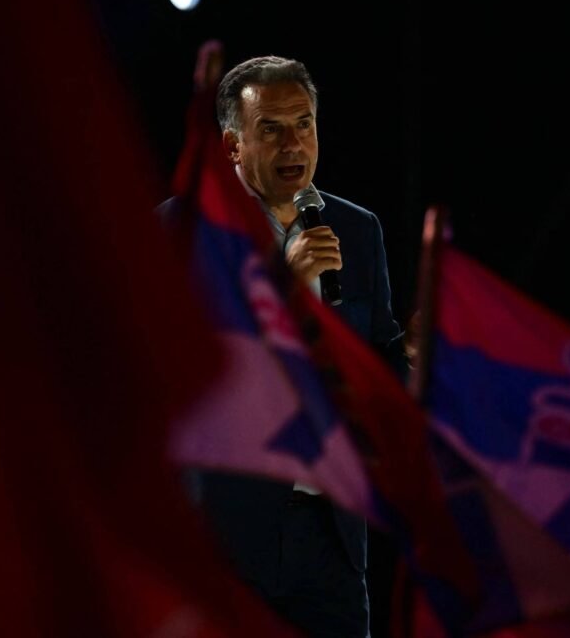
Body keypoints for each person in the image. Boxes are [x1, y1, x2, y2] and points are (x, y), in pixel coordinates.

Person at [162, 54, 407, 638]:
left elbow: (377, 359)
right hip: (227, 532)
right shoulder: (182, 231)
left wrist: (415, 360)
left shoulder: (356, 229)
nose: (293, 143)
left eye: (304, 124)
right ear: (232, 146)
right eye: (270, 129)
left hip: (332, 533)